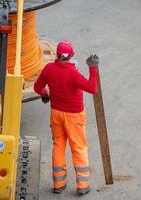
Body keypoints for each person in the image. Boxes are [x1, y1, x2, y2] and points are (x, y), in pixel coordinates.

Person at [34, 40, 99, 195]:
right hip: (74, 116)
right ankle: (82, 185)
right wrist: (93, 68)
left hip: (56, 114)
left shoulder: (49, 69)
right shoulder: (73, 73)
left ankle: (59, 184)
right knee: (78, 148)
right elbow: (92, 88)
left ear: (57, 54)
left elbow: (37, 87)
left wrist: (45, 95)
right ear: (70, 56)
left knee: (58, 146)